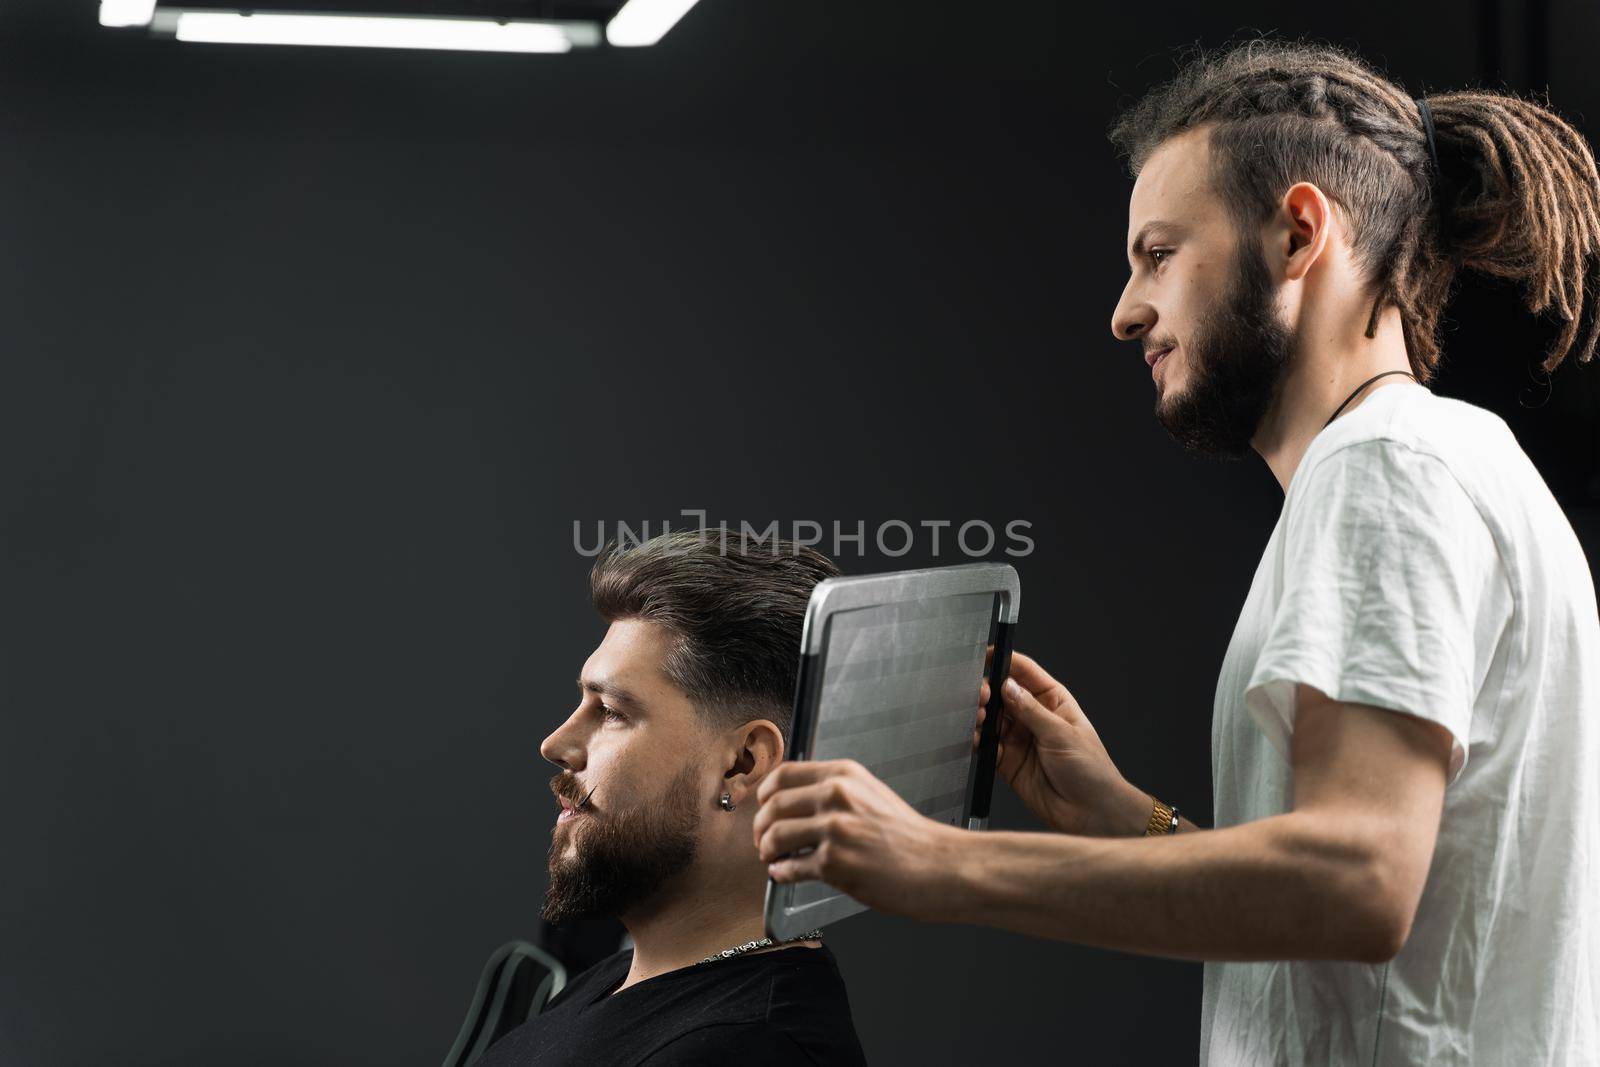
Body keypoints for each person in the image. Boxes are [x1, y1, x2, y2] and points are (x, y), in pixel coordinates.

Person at [754, 38, 1600, 1065]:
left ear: (1298, 234)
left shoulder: (1385, 468)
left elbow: (1356, 881)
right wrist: (1119, 814)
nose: (1124, 312)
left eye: (1158, 254)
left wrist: (939, 863)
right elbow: (1364, 918)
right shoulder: (1445, 457)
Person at [476, 530, 867, 1067]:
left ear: (742, 764)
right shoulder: (622, 977)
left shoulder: (748, 1051)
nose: (556, 744)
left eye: (610, 711)